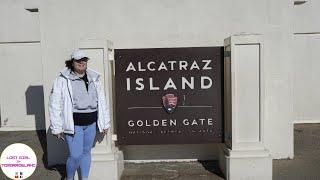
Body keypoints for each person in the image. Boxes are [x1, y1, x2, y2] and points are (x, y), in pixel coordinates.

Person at [49, 49, 110, 180]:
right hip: (74, 124)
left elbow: (102, 101)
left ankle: (85, 178)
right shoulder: (62, 80)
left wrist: (105, 123)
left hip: (91, 123)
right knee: (75, 155)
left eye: (84, 60)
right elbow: (54, 104)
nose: (81, 62)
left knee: (86, 152)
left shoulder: (94, 78)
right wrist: (57, 127)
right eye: (78, 60)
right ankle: (69, 178)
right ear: (72, 62)